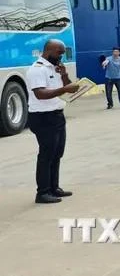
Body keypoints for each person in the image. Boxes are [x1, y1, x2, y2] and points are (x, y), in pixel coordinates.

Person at [26, 40, 80, 204]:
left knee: (57, 153)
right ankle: (42, 193)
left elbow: (68, 87)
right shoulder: (37, 70)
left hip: (57, 115)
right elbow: (40, 94)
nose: (61, 56)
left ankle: (53, 187)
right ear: (49, 51)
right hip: (42, 117)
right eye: (59, 53)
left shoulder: (54, 68)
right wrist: (63, 89)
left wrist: (64, 75)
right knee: (46, 155)